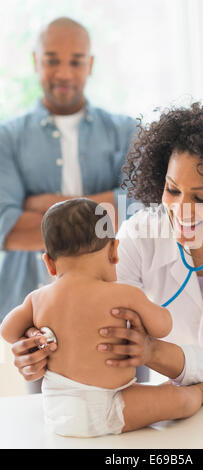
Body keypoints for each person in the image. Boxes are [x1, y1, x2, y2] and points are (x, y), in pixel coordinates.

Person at [11, 102, 203, 424]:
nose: (180, 210)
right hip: (180, 404)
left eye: (202, 199)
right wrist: (44, 346)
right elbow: (92, 310)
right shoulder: (141, 233)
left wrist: (153, 352)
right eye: (172, 190)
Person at [0, 198, 203, 437]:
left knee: (152, 394)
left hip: (58, 411)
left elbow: (7, 331)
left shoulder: (37, 298)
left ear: (49, 263)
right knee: (179, 402)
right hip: (112, 403)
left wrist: (32, 333)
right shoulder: (123, 294)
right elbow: (163, 327)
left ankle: (172, 389)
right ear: (115, 251)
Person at [0, 17, 142, 389]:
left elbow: (141, 212)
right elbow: (8, 228)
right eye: (51, 59)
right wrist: (105, 202)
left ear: (90, 65)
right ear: (35, 61)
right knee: (51, 427)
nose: (64, 71)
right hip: (39, 323)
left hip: (119, 308)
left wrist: (46, 207)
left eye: (76, 60)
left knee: (133, 412)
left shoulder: (127, 131)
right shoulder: (7, 139)